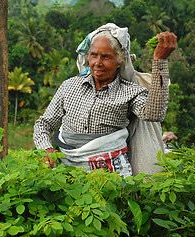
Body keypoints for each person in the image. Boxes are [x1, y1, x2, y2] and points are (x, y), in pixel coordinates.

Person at [33, 23, 177, 177]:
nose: (97, 63)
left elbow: (154, 114)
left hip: (111, 177)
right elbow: (44, 124)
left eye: (106, 57)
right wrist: (46, 149)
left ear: (120, 60)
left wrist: (159, 61)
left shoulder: (130, 92)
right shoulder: (69, 86)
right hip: (68, 172)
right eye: (94, 55)